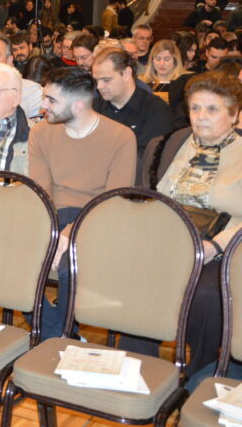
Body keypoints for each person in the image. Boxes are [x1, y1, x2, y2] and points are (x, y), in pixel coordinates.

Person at [133, 71, 242, 378]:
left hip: (225, 246)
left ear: (234, 114)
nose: (201, 116)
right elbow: (147, 197)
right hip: (167, 239)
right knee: (135, 275)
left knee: (207, 293)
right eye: (195, 108)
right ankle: (141, 366)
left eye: (212, 109)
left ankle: (200, 371)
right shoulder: (169, 144)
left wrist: (216, 246)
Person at [28, 67, 137, 340]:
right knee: (15, 259)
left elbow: (114, 199)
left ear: (78, 105)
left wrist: (71, 231)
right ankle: (60, 336)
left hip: (99, 218)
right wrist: (54, 231)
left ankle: (59, 337)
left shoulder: (121, 136)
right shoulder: (40, 132)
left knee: (69, 267)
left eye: (51, 100)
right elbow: (41, 191)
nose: (43, 106)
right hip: (53, 215)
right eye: (44, 97)